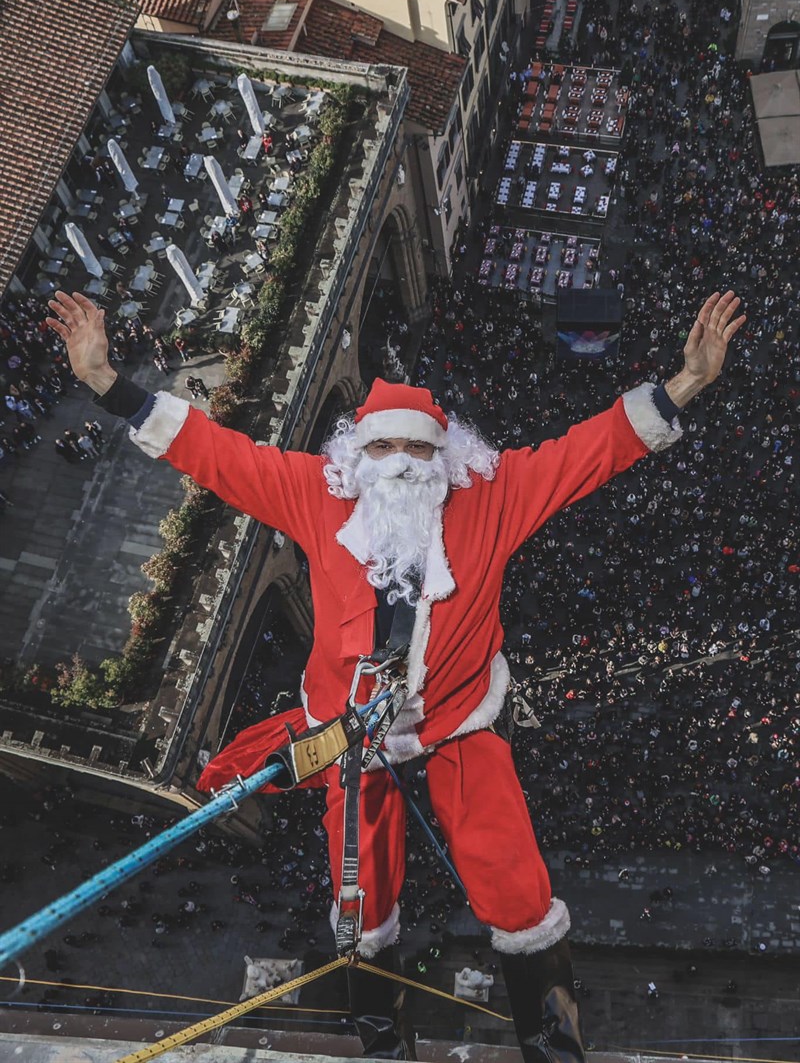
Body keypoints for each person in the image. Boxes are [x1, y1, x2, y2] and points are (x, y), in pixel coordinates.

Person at [45, 289, 745, 1063]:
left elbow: (590, 450)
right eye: (385, 450)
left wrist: (686, 384)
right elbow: (218, 454)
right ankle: (378, 1025)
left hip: (455, 722)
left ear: (445, 457)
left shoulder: (493, 496)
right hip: (350, 735)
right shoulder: (317, 493)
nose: (403, 466)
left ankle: (550, 1034)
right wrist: (110, 382)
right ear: (357, 455)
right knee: (361, 888)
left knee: (510, 872)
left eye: (418, 451)